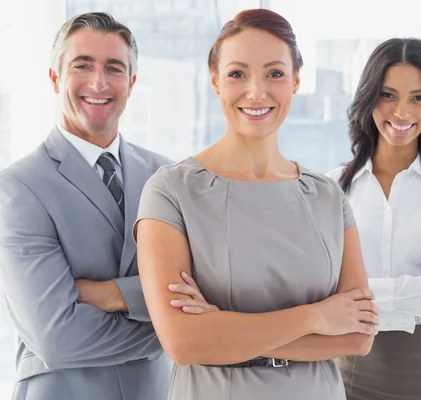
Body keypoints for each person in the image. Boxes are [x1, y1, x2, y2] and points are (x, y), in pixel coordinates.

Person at [134, 8, 379, 400]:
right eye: (237, 74)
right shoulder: (171, 190)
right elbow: (182, 342)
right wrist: (316, 317)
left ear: (296, 81)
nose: (256, 91)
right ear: (215, 80)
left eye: (275, 73)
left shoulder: (328, 196)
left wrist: (222, 330)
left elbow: (358, 335)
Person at [0, 12, 173, 400]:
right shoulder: (18, 188)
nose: (99, 82)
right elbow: (59, 339)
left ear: (131, 83)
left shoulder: (166, 175)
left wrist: (109, 294)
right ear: (55, 78)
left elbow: (208, 289)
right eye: (82, 66)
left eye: (114, 68)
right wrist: (183, 333)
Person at [326, 38, 421, 399]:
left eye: (418, 97)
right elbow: (316, 288)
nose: (402, 112)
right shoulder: (331, 189)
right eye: (388, 95)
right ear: (368, 98)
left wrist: (355, 293)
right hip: (350, 362)